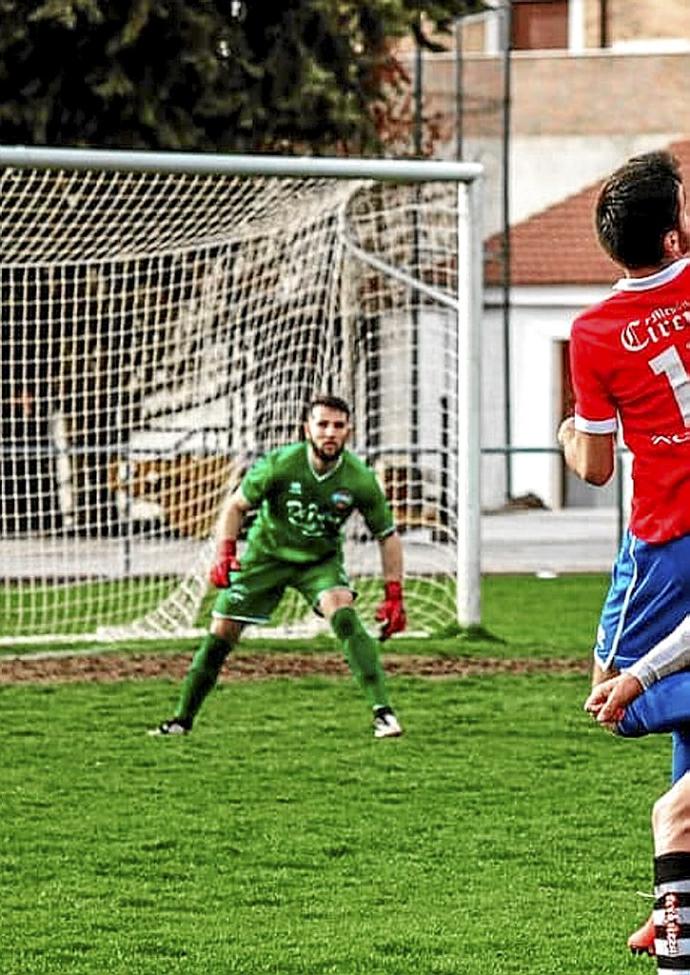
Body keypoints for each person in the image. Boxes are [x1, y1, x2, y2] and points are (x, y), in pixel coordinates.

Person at [557, 150, 690, 955]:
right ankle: (680, 888)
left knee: (616, 694)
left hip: (667, 535)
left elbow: (597, 465)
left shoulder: (594, 332)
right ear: (674, 237)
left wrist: (569, 431)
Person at [150, 394, 406, 740]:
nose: (330, 432)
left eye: (338, 426)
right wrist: (224, 554)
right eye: (322, 424)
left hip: (319, 561)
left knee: (342, 611)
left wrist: (394, 595)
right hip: (265, 558)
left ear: (349, 431)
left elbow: (387, 536)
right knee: (221, 633)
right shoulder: (280, 464)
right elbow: (235, 506)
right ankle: (181, 720)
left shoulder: (359, 478)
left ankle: (384, 713)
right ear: (307, 429)